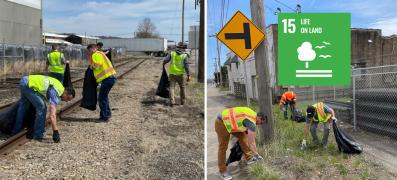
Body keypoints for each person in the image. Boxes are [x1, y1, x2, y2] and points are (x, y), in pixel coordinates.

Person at [12, 75, 75, 142]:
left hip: (26, 80)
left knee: (23, 106)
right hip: (29, 85)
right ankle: (38, 135)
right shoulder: (56, 93)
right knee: (42, 107)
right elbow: (52, 115)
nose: (66, 101)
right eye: (68, 98)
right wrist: (55, 131)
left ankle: (16, 130)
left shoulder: (59, 85)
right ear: (65, 92)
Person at [215, 107, 265, 180]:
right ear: (259, 118)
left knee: (243, 137)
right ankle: (222, 172)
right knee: (223, 148)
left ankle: (249, 158)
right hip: (222, 123)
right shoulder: (251, 122)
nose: (260, 124)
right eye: (261, 122)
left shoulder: (252, 114)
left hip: (230, 123)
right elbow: (252, 142)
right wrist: (256, 154)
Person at [87, 44, 117, 122]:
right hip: (111, 78)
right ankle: (108, 113)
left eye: (89, 50)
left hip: (107, 78)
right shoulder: (101, 53)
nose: (89, 52)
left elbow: (98, 64)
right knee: (104, 97)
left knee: (101, 98)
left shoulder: (95, 54)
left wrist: (91, 66)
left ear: (91, 49)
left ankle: (104, 117)